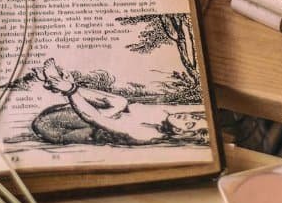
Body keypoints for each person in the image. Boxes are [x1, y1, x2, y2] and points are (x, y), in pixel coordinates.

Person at [29, 59, 208, 146]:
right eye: (192, 115)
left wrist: (71, 91)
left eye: (189, 123)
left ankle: (60, 85)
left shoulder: (145, 134)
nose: (186, 116)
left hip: (54, 128)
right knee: (121, 102)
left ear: (180, 131)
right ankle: (58, 84)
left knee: (108, 115)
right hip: (66, 116)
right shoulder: (162, 116)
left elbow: (92, 117)